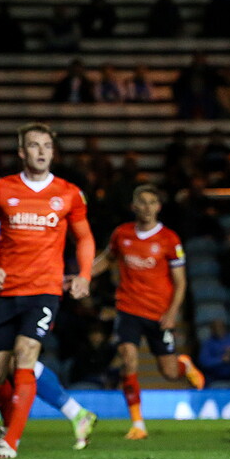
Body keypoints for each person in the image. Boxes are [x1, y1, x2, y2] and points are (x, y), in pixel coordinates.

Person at [0, 124, 96, 459]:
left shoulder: (68, 193)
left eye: (46, 146)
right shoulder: (3, 189)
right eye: (34, 146)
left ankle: (10, 441)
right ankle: (9, 423)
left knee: (26, 354)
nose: (41, 151)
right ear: (22, 152)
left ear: (53, 152)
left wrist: (84, 274)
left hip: (44, 290)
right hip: (6, 290)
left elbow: (84, 237)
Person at [91, 184, 204, 439]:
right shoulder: (121, 234)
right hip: (128, 309)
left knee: (170, 373)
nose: (147, 207)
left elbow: (180, 282)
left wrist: (172, 312)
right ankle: (138, 423)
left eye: (152, 202)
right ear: (134, 206)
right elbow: (107, 258)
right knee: (128, 359)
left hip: (158, 313)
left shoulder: (169, 239)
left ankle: (184, 364)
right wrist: (85, 275)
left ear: (159, 207)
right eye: (142, 202)